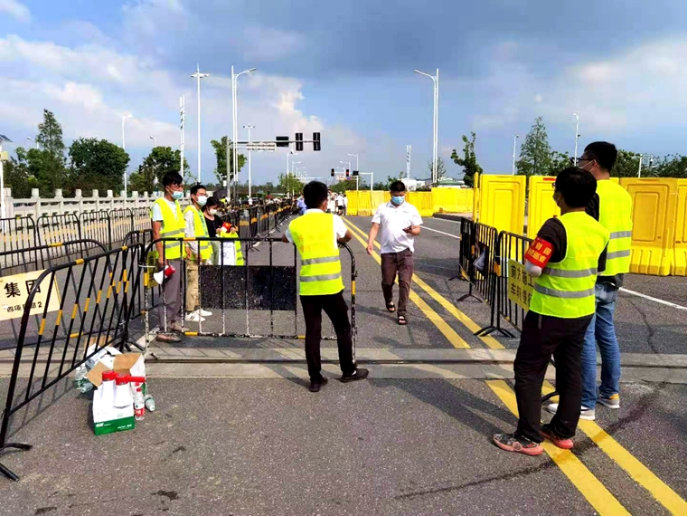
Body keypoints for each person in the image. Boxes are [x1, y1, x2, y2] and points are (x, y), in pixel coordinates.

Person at [494, 167, 609, 456]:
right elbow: (600, 267)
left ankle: (528, 436)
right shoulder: (599, 229)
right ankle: (563, 430)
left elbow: (533, 268)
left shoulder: (555, 227)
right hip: (582, 312)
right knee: (571, 370)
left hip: (550, 312)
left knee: (529, 371)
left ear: (560, 194)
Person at [547, 142, 632, 421]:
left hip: (592, 275)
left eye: (582, 159)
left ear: (593, 162)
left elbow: (585, 232)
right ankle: (610, 392)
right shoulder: (623, 194)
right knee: (606, 335)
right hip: (616, 273)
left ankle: (585, 403)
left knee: (583, 339)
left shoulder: (592, 194)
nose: (580, 163)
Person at [283, 181, 369, 392]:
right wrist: (338, 240)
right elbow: (348, 236)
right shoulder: (332, 220)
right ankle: (348, 371)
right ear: (325, 201)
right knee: (342, 328)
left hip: (308, 288)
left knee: (312, 332)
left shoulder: (296, 224)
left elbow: (286, 239)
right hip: (330, 287)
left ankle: (315, 378)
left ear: (304, 199)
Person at [366, 180, 422, 326]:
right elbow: (375, 227)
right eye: (396, 195)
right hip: (388, 252)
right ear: (390, 194)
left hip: (406, 252)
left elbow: (417, 229)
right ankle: (388, 299)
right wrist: (370, 242)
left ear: (405, 194)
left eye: (401, 194)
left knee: (404, 282)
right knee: (387, 282)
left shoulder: (411, 209)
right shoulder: (383, 208)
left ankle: (402, 312)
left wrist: (412, 231)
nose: (399, 197)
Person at [151, 172, 187, 343]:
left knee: (178, 292)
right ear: (167, 187)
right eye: (177, 186)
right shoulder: (159, 204)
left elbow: (180, 230)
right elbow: (156, 232)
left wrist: (186, 247)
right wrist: (161, 255)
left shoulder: (176, 204)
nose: (180, 189)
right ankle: (163, 329)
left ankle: (173, 322)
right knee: (169, 294)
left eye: (181, 185)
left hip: (179, 253)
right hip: (169, 256)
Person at [183, 184, 213, 323]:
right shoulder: (190, 211)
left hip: (202, 254)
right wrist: (197, 251)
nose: (204, 197)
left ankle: (196, 307)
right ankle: (189, 311)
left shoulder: (199, 211)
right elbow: (189, 234)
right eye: (201, 194)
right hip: (195, 255)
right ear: (193, 196)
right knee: (193, 282)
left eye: (205, 194)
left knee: (199, 283)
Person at [203, 196, 223, 264]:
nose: (215, 210)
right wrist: (215, 231)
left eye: (216, 208)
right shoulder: (202, 217)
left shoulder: (215, 217)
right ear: (207, 206)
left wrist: (231, 227)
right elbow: (203, 231)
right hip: (207, 245)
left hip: (217, 244)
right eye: (213, 208)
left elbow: (224, 224)